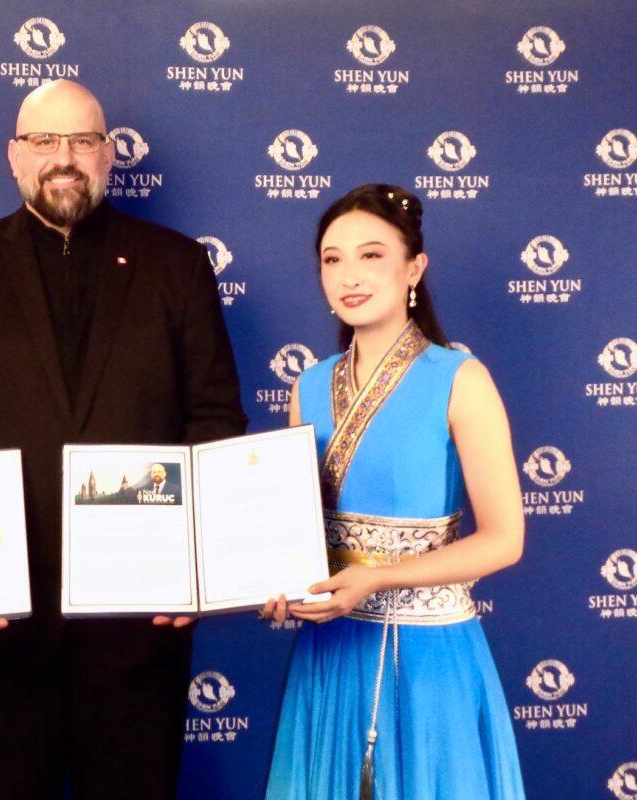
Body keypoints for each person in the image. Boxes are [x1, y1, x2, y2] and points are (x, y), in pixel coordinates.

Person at [0, 80, 246, 799]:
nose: (65, 158)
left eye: (83, 141)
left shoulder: (175, 264)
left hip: (139, 624)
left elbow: (214, 423)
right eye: (45, 141)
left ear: (109, 156)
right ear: (14, 158)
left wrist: (204, 570)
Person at [261, 184, 526, 799]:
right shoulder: (309, 385)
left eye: (372, 255)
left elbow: (505, 540)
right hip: (329, 649)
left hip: (429, 659)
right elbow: (298, 533)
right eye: (332, 259)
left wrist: (376, 579)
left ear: (415, 268)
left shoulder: (461, 378)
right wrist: (275, 583)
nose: (349, 274)